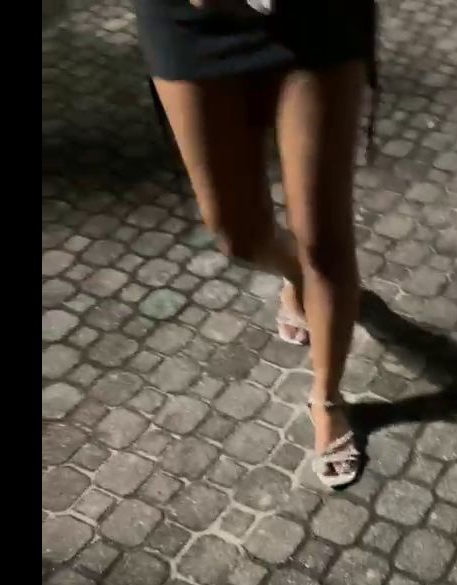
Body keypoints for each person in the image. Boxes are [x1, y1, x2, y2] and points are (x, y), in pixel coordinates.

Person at [134, 0, 377, 487]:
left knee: (324, 239)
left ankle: (327, 399)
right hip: (188, 23)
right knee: (236, 233)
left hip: (315, 16)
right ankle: (295, 275)